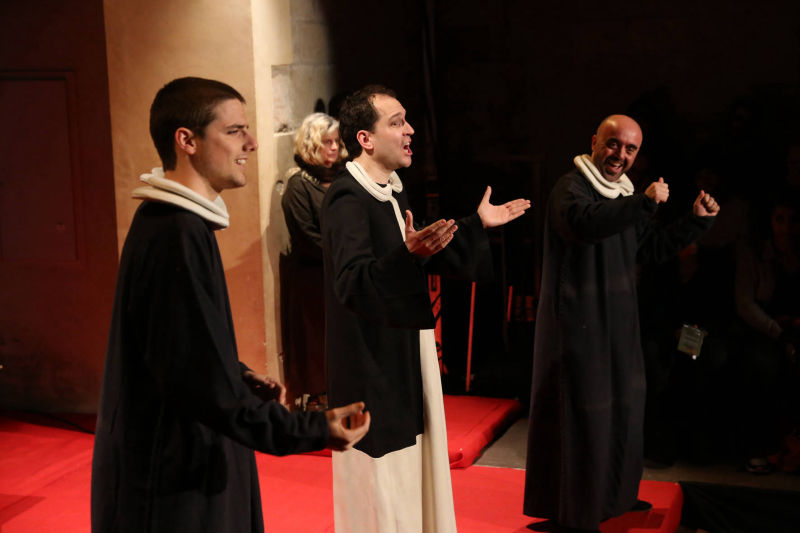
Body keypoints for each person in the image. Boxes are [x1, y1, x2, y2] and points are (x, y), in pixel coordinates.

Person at [90, 77, 370, 533]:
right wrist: (311, 429)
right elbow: (197, 381)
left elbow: (174, 345)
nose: (252, 143)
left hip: (184, 460)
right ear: (187, 141)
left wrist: (236, 373)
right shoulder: (176, 233)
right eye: (235, 131)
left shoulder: (169, 223)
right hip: (175, 477)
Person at [321, 85, 530, 533]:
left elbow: (418, 251)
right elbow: (352, 281)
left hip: (404, 352)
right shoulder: (347, 198)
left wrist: (475, 225)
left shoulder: (391, 191)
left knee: (413, 467)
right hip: (371, 364)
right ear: (365, 139)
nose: (410, 130)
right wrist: (408, 255)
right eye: (396, 122)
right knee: (382, 480)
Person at [524, 114, 719, 533]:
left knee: (623, 409)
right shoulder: (571, 187)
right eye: (614, 144)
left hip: (618, 319)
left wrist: (695, 221)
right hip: (578, 321)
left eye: (630, 149)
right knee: (584, 416)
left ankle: (614, 497)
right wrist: (643, 204)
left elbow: (649, 248)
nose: (621, 155)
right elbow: (586, 223)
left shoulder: (625, 194)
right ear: (595, 140)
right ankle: (575, 512)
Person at [280, 112, 347, 410]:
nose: (333, 148)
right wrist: (343, 256)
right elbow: (306, 236)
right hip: (313, 278)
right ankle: (319, 400)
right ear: (311, 144)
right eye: (326, 142)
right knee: (317, 342)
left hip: (341, 274)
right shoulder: (298, 184)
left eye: (336, 142)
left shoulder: (341, 179)